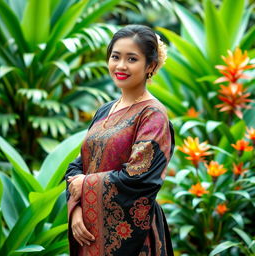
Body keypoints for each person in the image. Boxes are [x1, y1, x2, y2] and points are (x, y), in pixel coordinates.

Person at [65, 24, 175, 256]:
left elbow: (140, 177)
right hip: (88, 231)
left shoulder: (152, 115)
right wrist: (75, 211)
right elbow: (78, 164)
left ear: (151, 66)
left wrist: (85, 185)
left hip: (134, 239)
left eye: (132, 59)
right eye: (115, 57)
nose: (121, 66)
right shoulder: (105, 110)